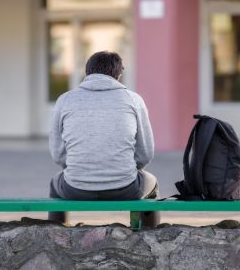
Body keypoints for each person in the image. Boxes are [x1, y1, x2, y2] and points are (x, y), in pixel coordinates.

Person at [48, 50, 159, 227]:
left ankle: (58, 236)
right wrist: (123, 170)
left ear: (87, 72)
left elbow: (57, 154)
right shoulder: (133, 100)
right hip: (125, 188)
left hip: (75, 188)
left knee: (55, 183)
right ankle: (149, 238)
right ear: (119, 75)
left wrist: (80, 170)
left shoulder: (65, 100)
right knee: (152, 183)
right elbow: (145, 153)